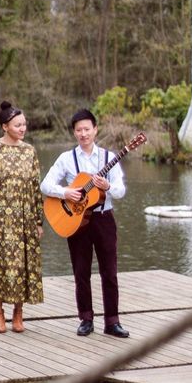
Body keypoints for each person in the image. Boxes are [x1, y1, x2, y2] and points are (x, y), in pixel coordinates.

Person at [40, 108, 129, 338]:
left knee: (109, 272)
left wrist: (107, 187)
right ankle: (86, 319)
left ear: (95, 130)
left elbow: (120, 191)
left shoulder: (109, 158)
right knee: (81, 272)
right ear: (74, 133)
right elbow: (45, 185)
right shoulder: (66, 159)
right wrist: (66, 192)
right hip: (77, 221)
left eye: (87, 129)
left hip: (103, 218)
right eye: (79, 130)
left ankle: (112, 322)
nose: (83, 134)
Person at [0, 101, 44, 333]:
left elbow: (35, 187)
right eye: (17, 125)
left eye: (24, 124)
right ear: (5, 126)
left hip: (24, 218)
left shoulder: (30, 151)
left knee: (23, 265)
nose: (23, 129)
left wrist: (38, 221)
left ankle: (18, 312)